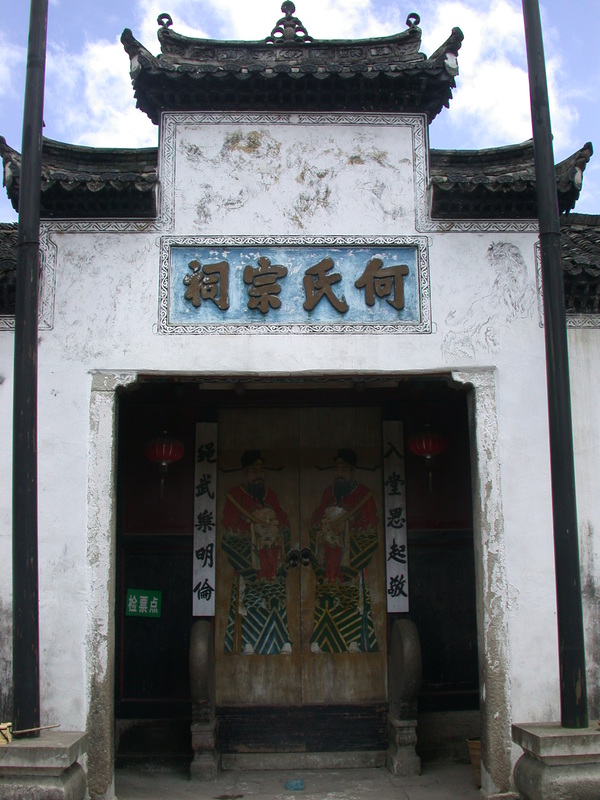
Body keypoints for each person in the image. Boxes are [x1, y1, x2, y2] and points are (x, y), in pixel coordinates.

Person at [221, 450, 292, 655]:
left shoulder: (271, 495)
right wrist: (252, 527)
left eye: (261, 470)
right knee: (250, 599)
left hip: (272, 557)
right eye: (254, 470)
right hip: (250, 559)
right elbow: (229, 526)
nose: (258, 474)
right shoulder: (235, 496)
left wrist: (275, 528)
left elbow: (283, 520)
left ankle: (281, 639)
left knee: (276, 597)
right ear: (245, 473)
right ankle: (248, 641)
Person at [309, 449, 379, 653]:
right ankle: (321, 640)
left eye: (344, 469)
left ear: (352, 471)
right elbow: (317, 517)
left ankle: (353, 640)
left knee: (350, 598)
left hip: (351, 557)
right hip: (329, 556)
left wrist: (348, 524)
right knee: (326, 597)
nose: (340, 473)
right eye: (337, 469)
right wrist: (324, 523)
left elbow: (370, 525)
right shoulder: (328, 493)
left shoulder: (364, 494)